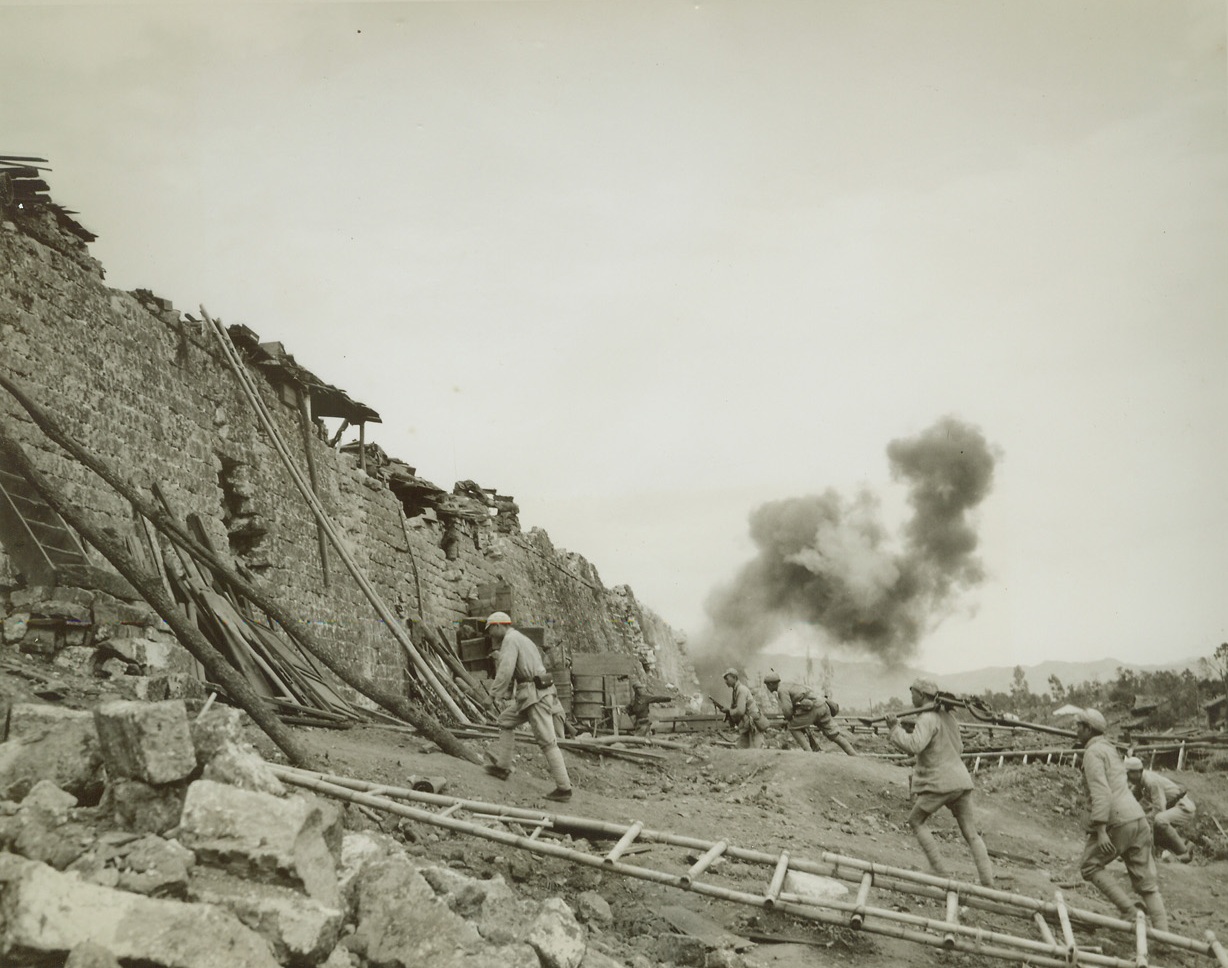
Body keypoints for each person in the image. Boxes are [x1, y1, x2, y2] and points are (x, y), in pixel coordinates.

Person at [885, 678, 994, 886]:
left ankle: (938, 870)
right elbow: (959, 748)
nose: (911, 696)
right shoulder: (949, 717)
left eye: (913, 693)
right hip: (961, 780)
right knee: (971, 833)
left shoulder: (927, 718)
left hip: (940, 782)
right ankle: (987, 881)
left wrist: (894, 729)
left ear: (922, 695)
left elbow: (914, 745)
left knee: (916, 820)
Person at [1074, 710, 1168, 929]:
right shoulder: (1110, 749)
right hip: (1137, 817)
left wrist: (1101, 830)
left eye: (1078, 725)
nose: (1075, 729)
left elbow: (1101, 792)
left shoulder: (1092, 753)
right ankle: (1166, 937)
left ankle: (1129, 912)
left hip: (1117, 821)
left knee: (1089, 866)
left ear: (1088, 729)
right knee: (1147, 883)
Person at [483, 612, 574, 802]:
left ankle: (564, 788)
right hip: (530, 694)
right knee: (505, 721)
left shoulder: (510, 640)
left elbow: (506, 669)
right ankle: (503, 767)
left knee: (547, 740)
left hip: (535, 695)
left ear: (499, 625)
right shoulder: (522, 639)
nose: (490, 634)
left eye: (491, 629)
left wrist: (492, 695)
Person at [764, 672, 857, 755]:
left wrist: (792, 718)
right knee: (833, 734)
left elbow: (788, 712)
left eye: (767, 685)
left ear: (771, 684)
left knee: (792, 727)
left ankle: (809, 753)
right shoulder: (788, 683)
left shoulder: (781, 690)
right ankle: (853, 754)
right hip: (823, 705)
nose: (767, 688)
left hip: (813, 708)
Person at [1124, 756, 1196, 863]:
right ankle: (1184, 843)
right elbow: (1131, 801)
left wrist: (1143, 819)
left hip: (1182, 808)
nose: (1127, 777)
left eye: (1128, 774)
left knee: (1158, 820)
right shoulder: (1140, 781)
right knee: (1148, 823)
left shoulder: (1151, 782)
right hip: (1171, 808)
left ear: (1137, 772)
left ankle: (1184, 852)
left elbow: (1159, 808)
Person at [722, 667, 769, 748]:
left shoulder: (741, 690)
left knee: (756, 750)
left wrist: (729, 711)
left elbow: (740, 711)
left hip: (753, 724)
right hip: (747, 724)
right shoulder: (736, 690)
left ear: (734, 677)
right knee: (742, 748)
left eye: (727, 678)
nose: (725, 681)